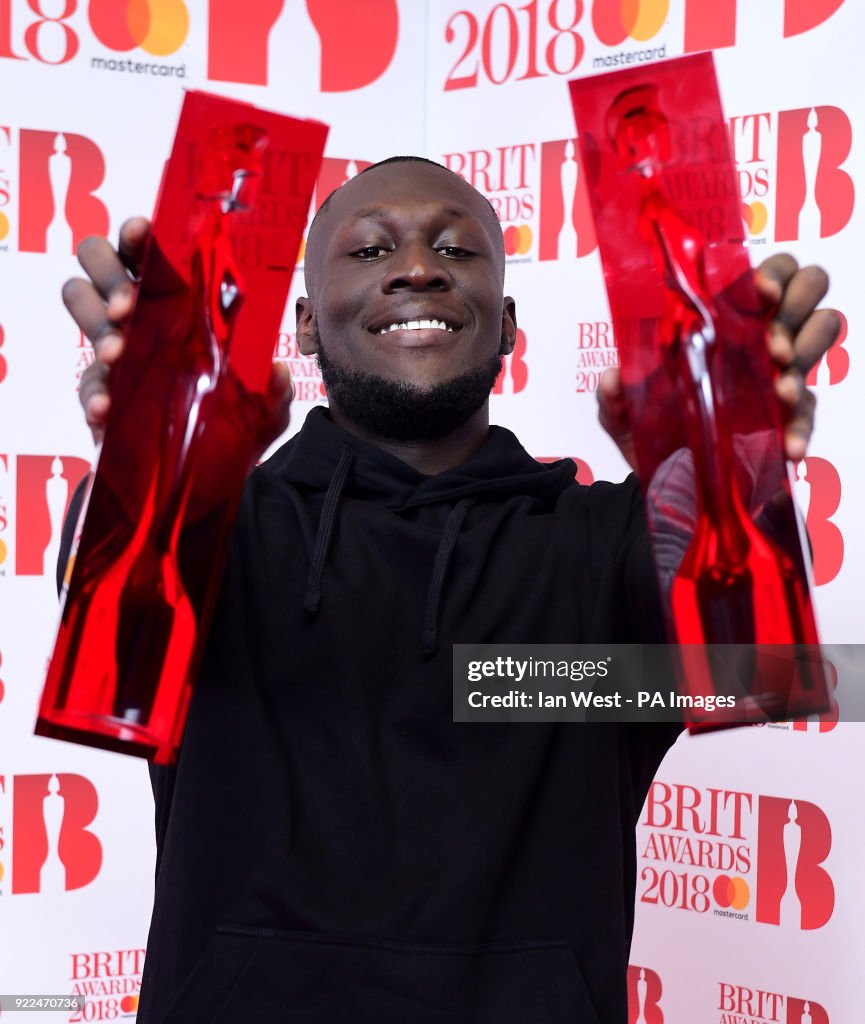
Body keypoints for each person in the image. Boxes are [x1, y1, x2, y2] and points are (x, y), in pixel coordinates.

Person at [61, 156, 838, 1023]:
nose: (417, 266)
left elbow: (754, 668)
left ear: (505, 327)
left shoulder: (604, 545)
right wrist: (148, 460)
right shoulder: (213, 534)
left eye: (455, 249)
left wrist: (736, 468)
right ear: (308, 324)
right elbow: (114, 626)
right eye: (367, 251)